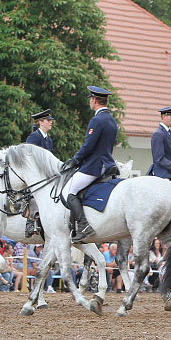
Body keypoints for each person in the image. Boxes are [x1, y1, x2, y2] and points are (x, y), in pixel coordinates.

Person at [60, 86, 118, 242]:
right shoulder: (111, 120)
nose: (90, 102)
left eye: (90, 100)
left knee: (69, 191)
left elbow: (88, 145)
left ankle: (84, 225)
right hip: (107, 163)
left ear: (94, 100)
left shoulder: (97, 120)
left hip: (94, 165)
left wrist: (76, 160)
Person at [24, 109, 56, 236]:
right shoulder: (34, 137)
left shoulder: (49, 140)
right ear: (41, 122)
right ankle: (30, 223)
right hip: (34, 173)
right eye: (48, 120)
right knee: (33, 193)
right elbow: (29, 157)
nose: (50, 123)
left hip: (46, 175)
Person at [148, 107, 171, 180]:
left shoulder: (168, 133)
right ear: (164, 116)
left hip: (170, 173)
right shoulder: (158, 134)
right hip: (162, 174)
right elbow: (159, 158)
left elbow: (170, 158)